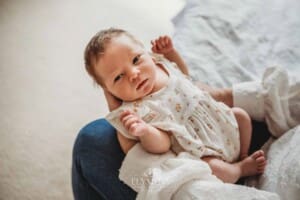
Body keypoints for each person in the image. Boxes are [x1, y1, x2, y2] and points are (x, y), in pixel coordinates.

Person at [82, 28, 266, 185]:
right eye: (118, 77)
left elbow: (184, 75)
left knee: (241, 115)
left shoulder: (162, 67)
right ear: (109, 92)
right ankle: (240, 169)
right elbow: (163, 144)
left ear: (148, 54)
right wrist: (145, 131)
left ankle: (243, 154)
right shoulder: (137, 110)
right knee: (211, 168)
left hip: (222, 123)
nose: (134, 74)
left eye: (136, 59)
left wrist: (170, 53)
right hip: (203, 150)